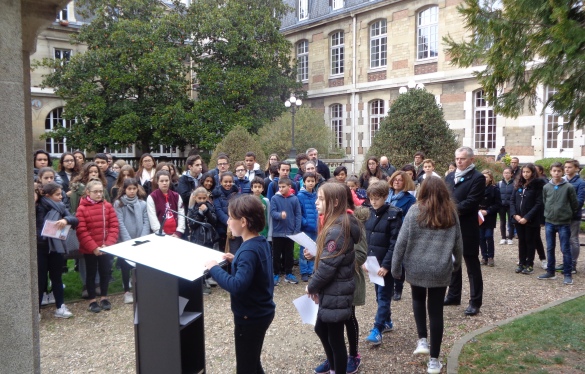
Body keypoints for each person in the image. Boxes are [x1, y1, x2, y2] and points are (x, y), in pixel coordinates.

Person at [392, 177, 463, 374]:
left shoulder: (414, 210)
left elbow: (401, 242)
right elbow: (458, 244)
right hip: (440, 267)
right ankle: (434, 360)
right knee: (436, 311)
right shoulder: (451, 213)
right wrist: (456, 264)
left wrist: (395, 268)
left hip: (416, 266)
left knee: (417, 299)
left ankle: (422, 340)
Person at [205, 195, 275, 374]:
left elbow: (237, 285)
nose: (228, 221)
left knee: (245, 367)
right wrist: (235, 260)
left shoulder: (248, 251)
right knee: (252, 361)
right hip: (261, 312)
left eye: (230, 217)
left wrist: (214, 268)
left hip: (250, 317)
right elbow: (255, 269)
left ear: (243, 221)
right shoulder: (260, 242)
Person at [308, 183, 360, 374]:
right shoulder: (333, 223)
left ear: (335, 202)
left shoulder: (338, 229)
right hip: (332, 289)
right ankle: (333, 367)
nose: (316, 203)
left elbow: (328, 267)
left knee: (335, 338)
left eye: (321, 199)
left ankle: (338, 369)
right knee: (321, 329)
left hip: (337, 290)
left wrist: (311, 286)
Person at [444, 147, 485, 316]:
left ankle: (475, 301)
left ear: (471, 160)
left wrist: (449, 210)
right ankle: (453, 295)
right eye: (457, 158)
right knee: (453, 261)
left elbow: (472, 201)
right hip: (450, 226)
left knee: (471, 264)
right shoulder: (450, 176)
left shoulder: (478, 178)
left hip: (467, 226)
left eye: (462, 158)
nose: (459, 161)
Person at [364, 181, 402, 346]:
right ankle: (387, 322)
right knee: (379, 297)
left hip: (386, 265)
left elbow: (395, 244)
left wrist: (386, 266)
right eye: (371, 198)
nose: (374, 202)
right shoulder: (368, 213)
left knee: (384, 296)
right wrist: (365, 260)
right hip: (373, 263)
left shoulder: (394, 214)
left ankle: (377, 329)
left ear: (385, 197)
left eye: (377, 198)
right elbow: (366, 239)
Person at [36, 182, 79, 319]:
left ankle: (60, 306)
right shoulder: (39, 206)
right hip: (41, 247)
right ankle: (36, 310)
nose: (61, 197)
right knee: (40, 279)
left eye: (61, 194)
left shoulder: (60, 207)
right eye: (57, 194)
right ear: (47, 195)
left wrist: (66, 220)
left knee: (57, 278)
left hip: (56, 248)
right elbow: (38, 225)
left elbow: (74, 219)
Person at [76, 179, 119, 313]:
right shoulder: (81, 208)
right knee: (91, 273)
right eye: (96, 192)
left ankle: (104, 297)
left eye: (101, 191)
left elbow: (114, 226)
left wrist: (108, 244)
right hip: (91, 249)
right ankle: (92, 300)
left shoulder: (107, 206)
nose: (99, 194)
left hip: (105, 246)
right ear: (88, 192)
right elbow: (81, 230)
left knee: (105, 272)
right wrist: (93, 247)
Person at [538, 162, 579, 285]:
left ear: (562, 172)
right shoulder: (546, 187)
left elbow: (574, 204)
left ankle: (567, 274)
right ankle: (550, 272)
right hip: (550, 221)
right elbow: (545, 201)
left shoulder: (568, 187)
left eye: (559, 171)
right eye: (554, 171)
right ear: (550, 172)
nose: (556, 173)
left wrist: (567, 214)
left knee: (565, 249)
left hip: (564, 222)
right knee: (550, 248)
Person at [113, 178, 150, 304]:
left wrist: (142, 238)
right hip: (126, 240)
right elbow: (120, 222)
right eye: (129, 189)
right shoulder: (119, 203)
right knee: (125, 266)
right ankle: (126, 291)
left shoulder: (142, 203)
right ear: (124, 189)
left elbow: (146, 221)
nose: (132, 191)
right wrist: (128, 241)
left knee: (139, 266)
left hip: (140, 239)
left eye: (134, 188)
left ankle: (139, 288)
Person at [385, 171, 416, 301]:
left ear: (405, 182)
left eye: (400, 180)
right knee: (387, 259)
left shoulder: (410, 199)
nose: (397, 182)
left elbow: (411, 218)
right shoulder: (387, 195)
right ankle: (389, 287)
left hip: (400, 231)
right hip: (386, 231)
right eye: (395, 179)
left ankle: (398, 288)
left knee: (399, 261)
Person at [510, 163, 545, 275]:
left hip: (531, 220)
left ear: (533, 173)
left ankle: (529, 264)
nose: (525, 174)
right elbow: (512, 201)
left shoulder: (538, 185)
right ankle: (521, 263)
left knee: (530, 241)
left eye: (528, 172)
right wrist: (515, 215)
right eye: (524, 172)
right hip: (518, 219)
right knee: (522, 241)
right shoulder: (518, 185)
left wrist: (527, 217)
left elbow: (539, 203)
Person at [270, 177, 302, 285]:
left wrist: (296, 230)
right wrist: (280, 215)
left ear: (289, 187)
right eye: (280, 187)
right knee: (276, 254)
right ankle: (275, 274)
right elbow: (272, 212)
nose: (281, 189)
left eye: (283, 187)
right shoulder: (274, 198)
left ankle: (289, 273)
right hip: (277, 232)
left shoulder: (294, 199)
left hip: (290, 232)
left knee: (289, 254)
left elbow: (298, 215)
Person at [146, 170, 185, 238]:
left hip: (175, 234)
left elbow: (181, 214)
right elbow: (152, 217)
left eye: (166, 180)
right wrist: (159, 232)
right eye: (161, 181)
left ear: (170, 181)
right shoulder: (152, 197)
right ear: (157, 182)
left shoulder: (176, 196)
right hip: (160, 235)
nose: (164, 183)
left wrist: (179, 232)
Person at [563, 160, 585, 274]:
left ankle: (572, 263)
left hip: (573, 216)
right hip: (561, 216)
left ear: (576, 168)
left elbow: (580, 201)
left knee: (573, 239)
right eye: (565, 167)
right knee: (564, 239)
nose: (567, 169)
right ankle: (566, 261)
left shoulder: (581, 183)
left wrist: (569, 211)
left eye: (570, 167)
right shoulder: (562, 180)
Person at [297, 172, 318, 282]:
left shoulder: (316, 195)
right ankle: (304, 271)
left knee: (314, 248)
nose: (310, 183)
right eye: (308, 181)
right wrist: (305, 223)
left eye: (312, 181)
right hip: (306, 228)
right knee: (304, 250)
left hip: (316, 227)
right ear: (304, 182)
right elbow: (298, 212)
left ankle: (311, 270)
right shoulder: (300, 196)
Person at [212, 171, 241, 253]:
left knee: (233, 251)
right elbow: (218, 210)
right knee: (222, 251)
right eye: (225, 182)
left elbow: (238, 209)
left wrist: (232, 222)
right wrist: (228, 221)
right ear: (221, 182)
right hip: (222, 227)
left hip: (234, 228)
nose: (228, 184)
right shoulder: (217, 194)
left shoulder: (237, 194)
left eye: (230, 182)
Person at [479, 170, 501, 267]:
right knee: (481, 237)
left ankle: (491, 256)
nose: (484, 179)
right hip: (479, 215)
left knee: (488, 236)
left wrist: (488, 211)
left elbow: (498, 204)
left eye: (486, 177)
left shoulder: (494, 189)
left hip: (489, 216)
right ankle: (484, 256)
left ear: (490, 178)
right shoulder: (477, 188)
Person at [498, 167, 515, 245]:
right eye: (505, 173)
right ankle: (503, 237)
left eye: (508, 173)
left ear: (511, 174)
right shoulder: (499, 183)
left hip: (510, 205)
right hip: (501, 206)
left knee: (511, 222)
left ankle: (510, 237)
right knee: (502, 221)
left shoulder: (515, 183)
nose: (506, 174)